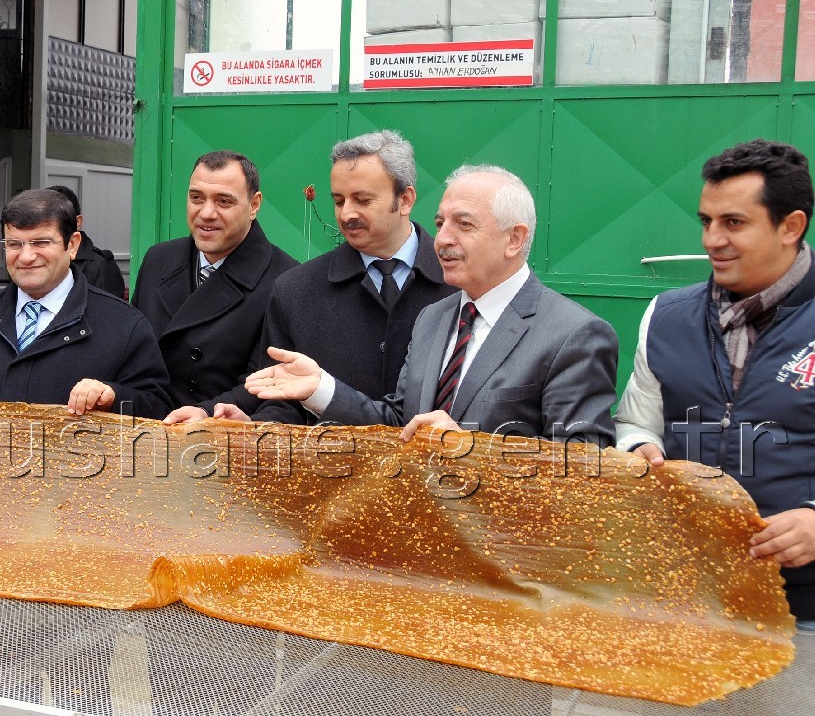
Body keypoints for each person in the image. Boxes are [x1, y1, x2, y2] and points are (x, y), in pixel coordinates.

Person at [246, 164, 617, 447]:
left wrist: (470, 450)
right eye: (440, 223)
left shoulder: (574, 335)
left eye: (464, 225)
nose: (442, 239)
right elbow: (401, 422)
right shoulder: (435, 317)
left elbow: (582, 467)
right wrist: (321, 388)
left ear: (514, 239)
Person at [615, 139, 815, 620]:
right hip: (684, 589)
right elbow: (636, 421)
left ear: (791, 227)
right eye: (706, 221)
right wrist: (639, 447)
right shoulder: (666, 315)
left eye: (734, 223)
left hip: (803, 599)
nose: (711, 240)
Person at [190, 130, 456, 425]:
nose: (347, 214)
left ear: (405, 199)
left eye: (362, 200)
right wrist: (256, 427)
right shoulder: (295, 290)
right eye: (339, 201)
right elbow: (282, 404)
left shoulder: (460, 286)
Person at [0, 188, 171, 418]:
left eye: (41, 242)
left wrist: (113, 398)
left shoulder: (124, 326)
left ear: (72, 245)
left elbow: (157, 407)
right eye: (14, 244)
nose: (26, 256)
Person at [131, 151, 297, 416]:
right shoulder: (157, 260)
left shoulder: (286, 280)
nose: (206, 213)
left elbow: (267, 381)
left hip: (221, 430)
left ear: (254, 205)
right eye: (196, 198)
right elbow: (134, 356)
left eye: (224, 201)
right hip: (147, 427)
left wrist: (206, 412)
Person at [47, 185, 126, 298]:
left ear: (78, 222)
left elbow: (109, 306)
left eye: (59, 220)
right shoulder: (33, 257)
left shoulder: (100, 265)